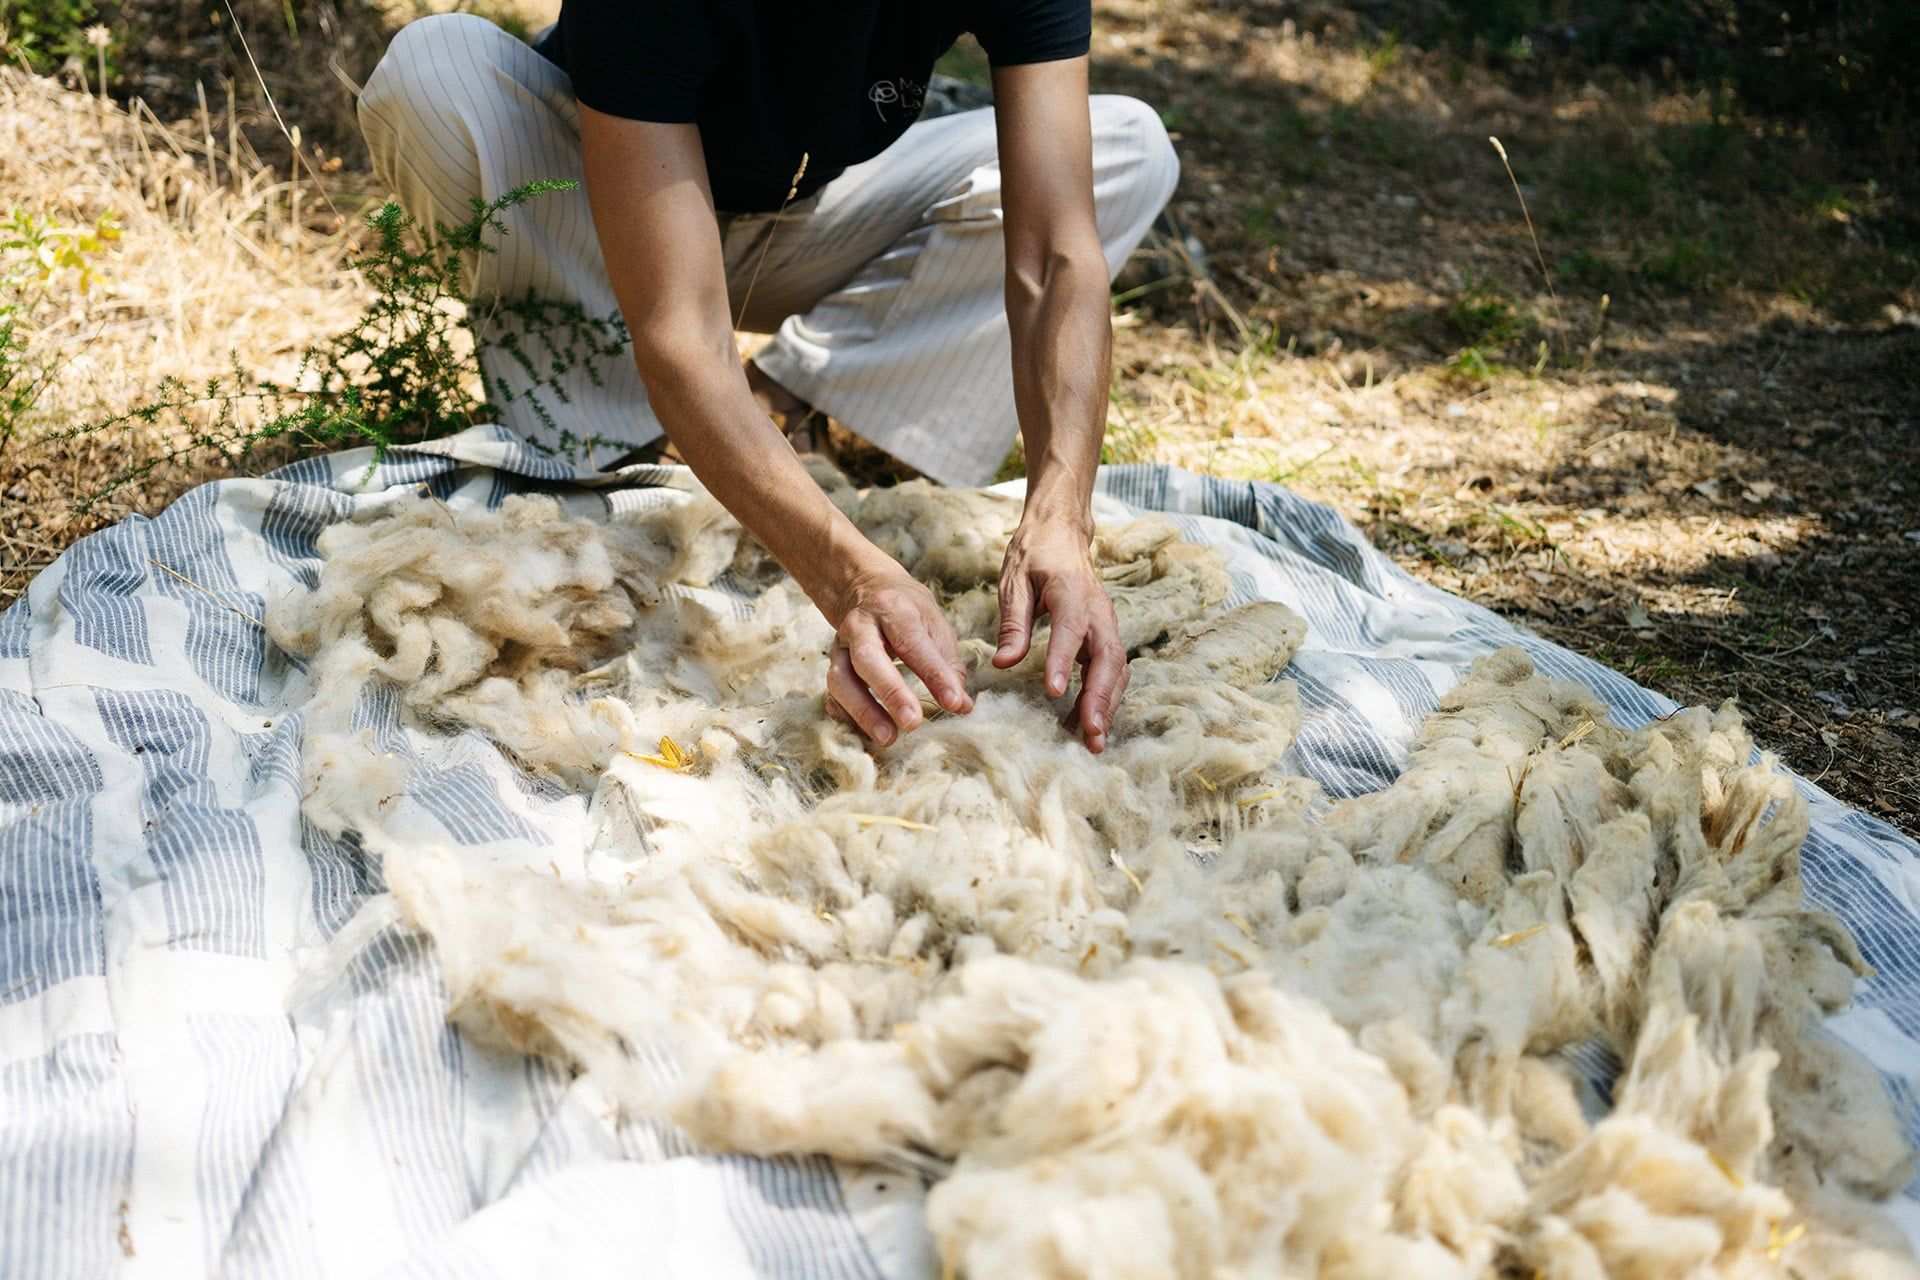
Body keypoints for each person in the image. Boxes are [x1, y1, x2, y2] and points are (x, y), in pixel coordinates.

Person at [356, 2, 1179, 753]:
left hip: (801, 217)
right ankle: (613, 446)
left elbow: (1056, 257)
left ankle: (793, 399)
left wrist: (1061, 516)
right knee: (436, 70)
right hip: (598, 204)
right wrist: (852, 576)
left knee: (1127, 144)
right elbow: (683, 331)